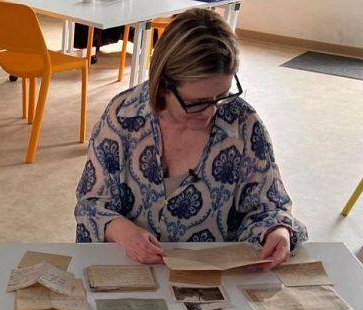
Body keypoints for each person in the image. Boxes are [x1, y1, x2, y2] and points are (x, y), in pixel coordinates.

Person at [74, 9, 307, 268]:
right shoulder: (123, 118)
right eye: (196, 102)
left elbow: (270, 208)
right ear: (162, 84)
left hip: (216, 283)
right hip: (132, 270)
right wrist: (122, 232)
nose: (211, 111)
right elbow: (91, 204)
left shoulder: (243, 124)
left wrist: (278, 232)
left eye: (222, 95)